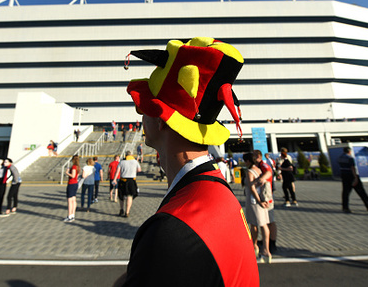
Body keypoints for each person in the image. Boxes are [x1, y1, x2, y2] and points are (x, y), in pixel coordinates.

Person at [116, 37, 259, 286]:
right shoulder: (219, 191)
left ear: (162, 120)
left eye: (145, 107)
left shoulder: (171, 227)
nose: (140, 115)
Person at [243, 152, 272, 264]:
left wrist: (259, 202)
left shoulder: (250, 172)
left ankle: (260, 249)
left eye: (245, 161)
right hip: (262, 200)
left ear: (248, 161)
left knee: (255, 225)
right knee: (264, 225)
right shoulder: (259, 170)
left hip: (254, 201)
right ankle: (263, 249)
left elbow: (252, 188)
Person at [252, 150, 277, 256]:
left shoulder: (263, 165)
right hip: (263, 196)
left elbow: (268, 172)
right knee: (265, 221)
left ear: (258, 156)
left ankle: (272, 243)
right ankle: (266, 240)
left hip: (267, 197)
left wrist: (260, 179)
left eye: (253, 156)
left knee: (270, 220)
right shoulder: (258, 166)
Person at [338, 147, 368, 213]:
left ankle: (345, 207)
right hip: (351, 175)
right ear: (349, 151)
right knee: (361, 191)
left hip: (344, 175)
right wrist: (355, 178)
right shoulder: (350, 158)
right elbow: (353, 168)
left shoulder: (340, 158)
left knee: (346, 192)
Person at [113, 151, 141, 217]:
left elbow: (117, 172)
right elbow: (139, 170)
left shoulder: (122, 162)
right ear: (131, 155)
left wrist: (114, 179)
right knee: (130, 196)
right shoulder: (135, 161)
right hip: (131, 180)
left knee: (121, 195)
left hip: (123, 180)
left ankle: (121, 209)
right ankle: (127, 212)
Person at [64, 155, 80, 222]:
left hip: (71, 183)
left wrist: (67, 172)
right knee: (74, 200)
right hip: (75, 183)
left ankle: (70, 215)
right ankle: (73, 215)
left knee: (70, 201)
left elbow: (73, 176)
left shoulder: (73, 167)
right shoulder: (78, 167)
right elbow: (77, 175)